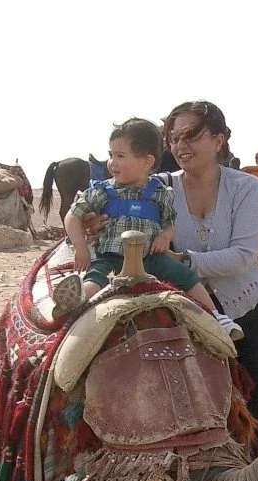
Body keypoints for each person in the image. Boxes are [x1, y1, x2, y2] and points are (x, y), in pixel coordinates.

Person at [160, 100, 258, 449]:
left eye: (192, 136)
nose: (181, 146)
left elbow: (243, 256)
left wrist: (180, 262)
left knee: (252, 424)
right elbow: (114, 205)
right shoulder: (158, 188)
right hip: (182, 319)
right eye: (174, 137)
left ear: (219, 139)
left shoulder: (247, 188)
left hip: (248, 315)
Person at [58, 118, 242, 339]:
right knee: (95, 279)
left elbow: (170, 224)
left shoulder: (160, 193)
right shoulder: (102, 191)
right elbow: (72, 216)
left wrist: (165, 237)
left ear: (146, 161)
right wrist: (81, 248)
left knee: (186, 277)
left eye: (120, 156)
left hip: (151, 258)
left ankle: (216, 316)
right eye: (111, 155)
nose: (112, 163)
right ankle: (73, 303)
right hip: (111, 257)